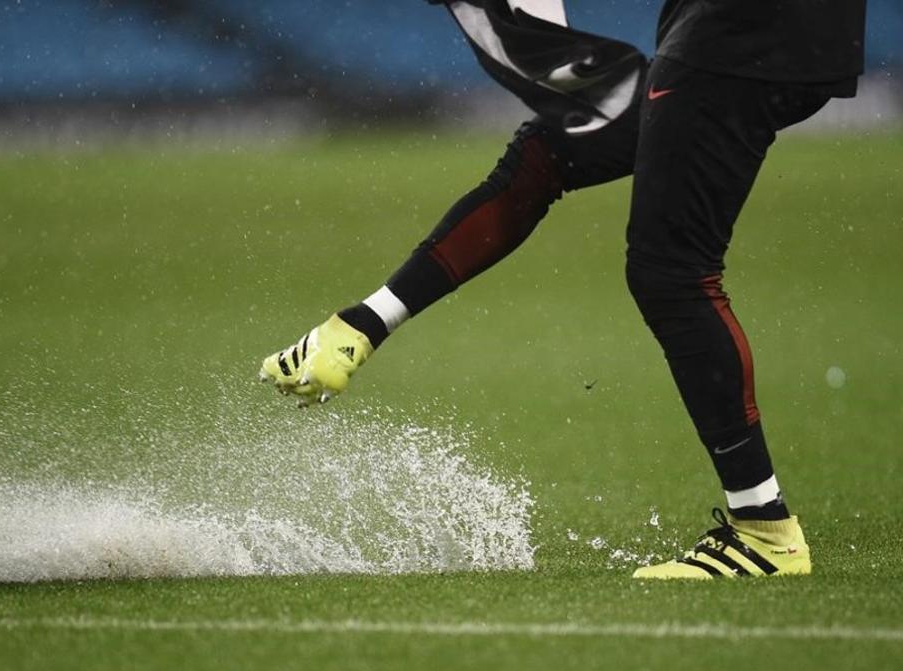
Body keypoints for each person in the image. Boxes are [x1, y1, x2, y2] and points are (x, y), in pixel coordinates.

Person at [259, 0, 866, 579]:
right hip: (761, 28)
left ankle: (763, 531)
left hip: (748, 28)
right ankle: (360, 326)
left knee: (672, 270)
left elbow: (518, 38)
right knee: (548, 151)